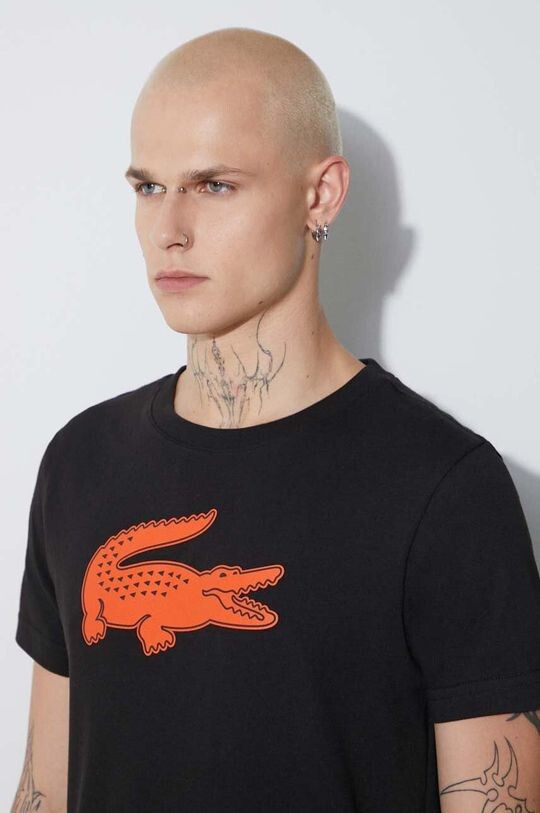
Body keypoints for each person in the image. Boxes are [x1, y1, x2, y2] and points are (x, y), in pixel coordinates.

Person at [11, 26, 540, 813]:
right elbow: (44, 789)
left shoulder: (444, 487)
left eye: (215, 185)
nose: (169, 229)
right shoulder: (81, 461)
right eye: (148, 187)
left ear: (320, 195)